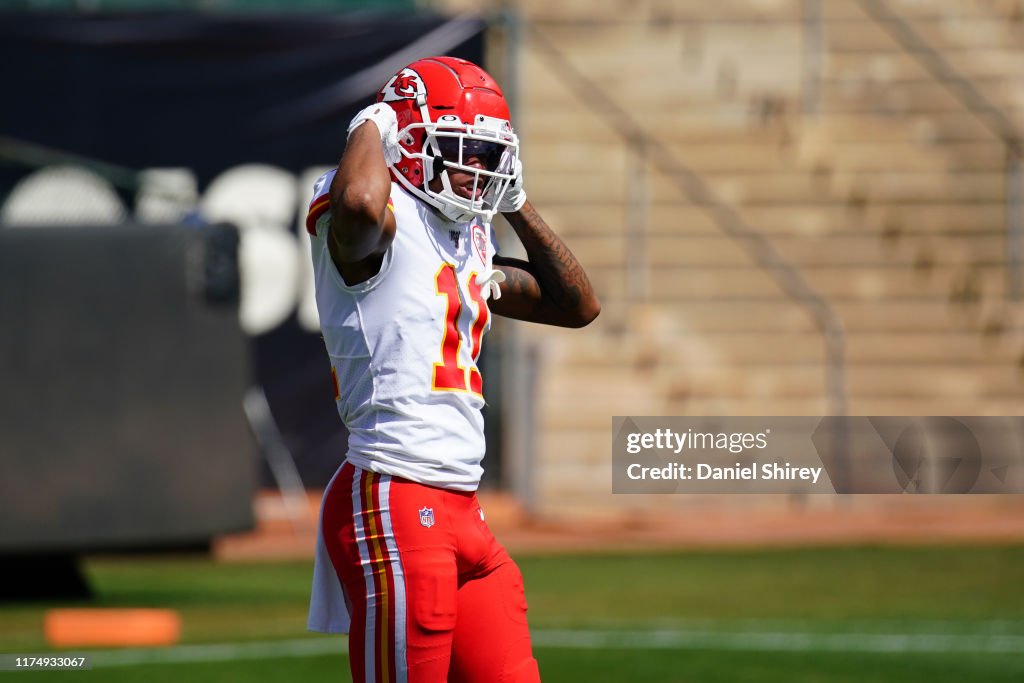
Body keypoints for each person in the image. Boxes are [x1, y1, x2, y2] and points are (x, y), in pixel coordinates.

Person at [305, 55, 599, 683]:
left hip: (463, 508)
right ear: (405, 142)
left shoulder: (468, 237)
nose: (475, 171)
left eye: (489, 158)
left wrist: (518, 205)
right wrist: (371, 121)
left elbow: (578, 306)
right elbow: (358, 201)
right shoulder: (373, 222)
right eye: (461, 149)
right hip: (396, 493)